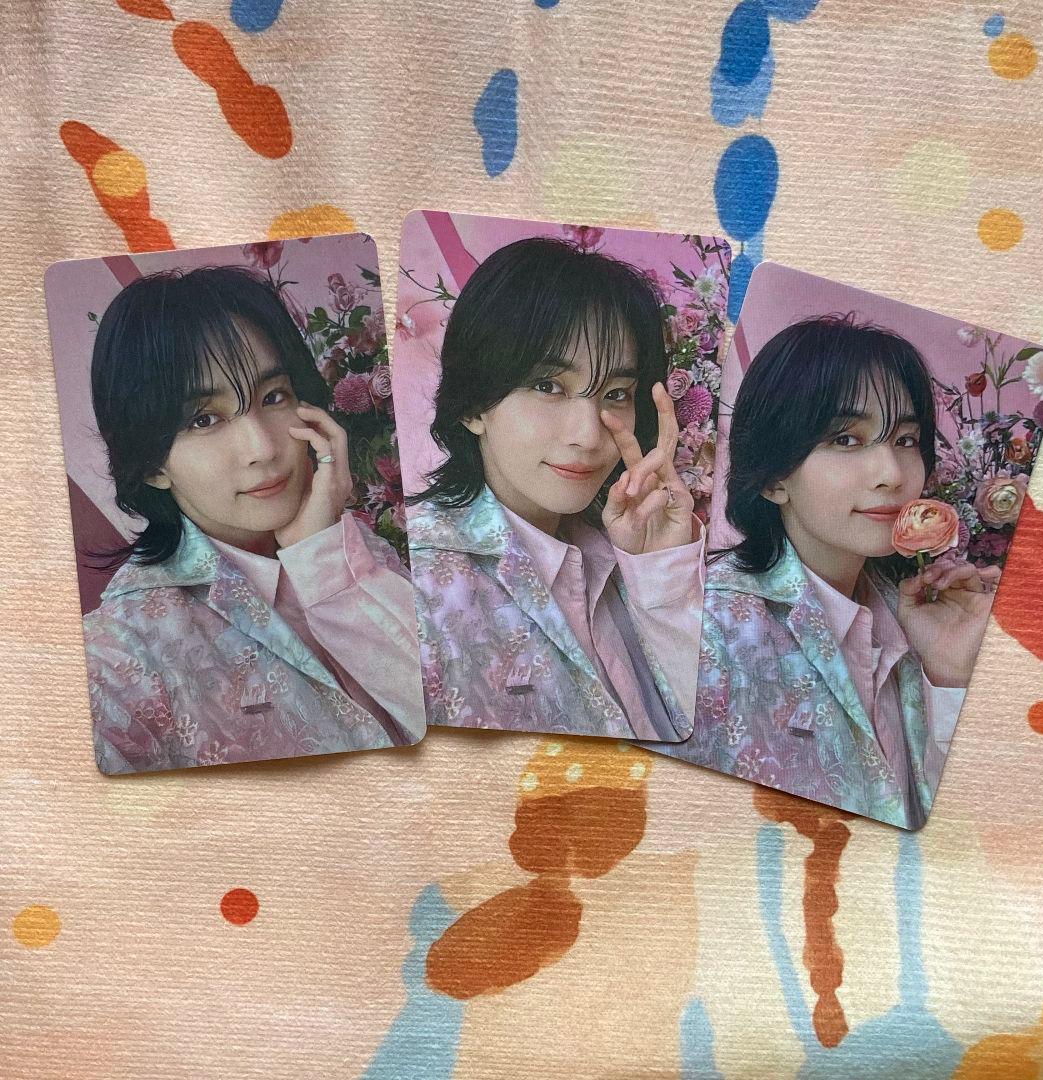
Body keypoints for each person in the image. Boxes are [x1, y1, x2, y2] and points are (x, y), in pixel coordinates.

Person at [654, 315, 1000, 829]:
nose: (892, 474)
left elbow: (955, 833)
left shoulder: (914, 618)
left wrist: (950, 676)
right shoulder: (706, 626)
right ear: (774, 479)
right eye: (846, 439)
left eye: (906, 439)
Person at [82, 265, 424, 774]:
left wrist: (324, 558)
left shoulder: (351, 543)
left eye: (274, 397)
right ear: (151, 464)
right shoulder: (121, 649)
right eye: (204, 420)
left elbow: (456, 706)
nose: (263, 447)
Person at [406, 236, 706, 741]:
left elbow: (715, 740)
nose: (588, 436)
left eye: (616, 393)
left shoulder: (624, 547)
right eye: (548, 386)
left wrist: (663, 576)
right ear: (474, 405)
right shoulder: (421, 583)